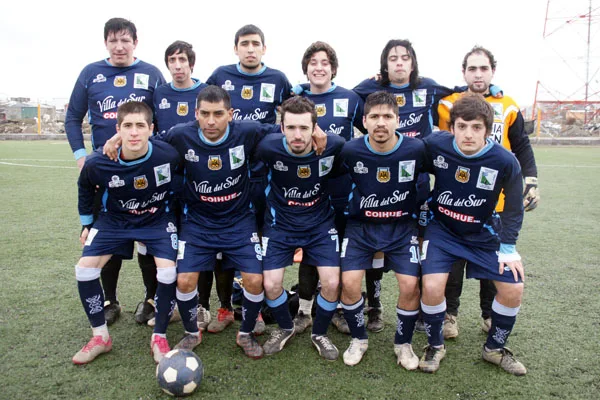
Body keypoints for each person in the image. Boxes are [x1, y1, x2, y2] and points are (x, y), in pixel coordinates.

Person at [65, 17, 166, 325]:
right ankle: (109, 300)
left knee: (149, 236)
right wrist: (82, 157)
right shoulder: (90, 74)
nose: (120, 46)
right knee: (104, 236)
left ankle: (151, 298)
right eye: (113, 41)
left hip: (144, 172)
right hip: (105, 174)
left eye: (126, 40)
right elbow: (72, 117)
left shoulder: (151, 74)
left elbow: (159, 122)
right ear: (105, 43)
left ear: (136, 42)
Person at [419, 93, 527, 376]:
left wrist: (509, 247)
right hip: (441, 229)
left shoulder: (505, 161)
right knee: (431, 287)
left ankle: (494, 348)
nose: (468, 134)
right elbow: (410, 165)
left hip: (484, 232)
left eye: (476, 127)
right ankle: (435, 344)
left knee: (514, 287)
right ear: (451, 127)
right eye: (462, 126)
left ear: (487, 131)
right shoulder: (435, 145)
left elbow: (515, 208)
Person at [436, 46, 539, 339]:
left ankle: (489, 316)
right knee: (452, 263)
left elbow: (521, 146)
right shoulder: (448, 103)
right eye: (472, 68)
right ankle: (449, 315)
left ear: (493, 71)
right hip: (457, 195)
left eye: (483, 68)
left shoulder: (507, 105)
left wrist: (531, 180)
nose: (478, 74)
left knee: (492, 262)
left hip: (497, 198)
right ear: (464, 73)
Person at [352, 39, 454, 332]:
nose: (399, 63)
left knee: (420, 244)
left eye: (405, 58)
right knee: (375, 246)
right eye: (393, 58)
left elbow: (458, 91)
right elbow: (349, 93)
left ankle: (423, 308)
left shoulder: (428, 87)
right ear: (384, 64)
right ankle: (375, 305)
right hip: (380, 179)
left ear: (413, 63)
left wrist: (491, 90)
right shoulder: (373, 90)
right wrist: (372, 77)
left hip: (417, 180)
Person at [72, 101, 182, 365]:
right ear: (117, 130)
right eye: (128, 126)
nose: (134, 133)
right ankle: (100, 336)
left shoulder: (168, 155)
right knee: (84, 269)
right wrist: (87, 224)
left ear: (151, 129)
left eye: (140, 126)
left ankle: (159, 335)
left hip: (157, 218)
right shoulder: (99, 161)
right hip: (115, 219)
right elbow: (85, 187)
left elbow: (181, 185)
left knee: (168, 271)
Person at [203, 24, 292, 334]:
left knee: (258, 242)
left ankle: (256, 305)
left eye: (256, 43)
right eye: (244, 43)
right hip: (227, 174)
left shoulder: (278, 79)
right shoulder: (220, 75)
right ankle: (227, 306)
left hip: (264, 175)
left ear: (264, 49)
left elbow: (294, 110)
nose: (250, 48)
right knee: (222, 245)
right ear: (236, 48)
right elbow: (205, 112)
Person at [337, 91, 426, 367]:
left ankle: (403, 343)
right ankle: (358, 338)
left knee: (410, 285)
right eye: (374, 116)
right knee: (349, 283)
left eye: (387, 117)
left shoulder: (416, 149)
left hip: (401, 228)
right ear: (364, 120)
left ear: (397, 120)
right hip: (361, 228)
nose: (380, 123)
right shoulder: (351, 150)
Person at [256, 96, 345, 360]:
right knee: (270, 284)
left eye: (304, 128)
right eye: (291, 127)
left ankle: (319, 333)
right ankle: (285, 327)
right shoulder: (268, 146)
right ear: (281, 127)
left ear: (315, 128)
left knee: (331, 282)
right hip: (279, 224)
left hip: (319, 224)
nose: (297, 135)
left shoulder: (334, 146)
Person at [292, 41, 366, 336]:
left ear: (333, 69)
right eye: (313, 62)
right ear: (306, 69)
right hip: (308, 188)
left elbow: (370, 131)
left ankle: (337, 309)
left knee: (341, 252)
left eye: (325, 62)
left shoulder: (350, 98)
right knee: (311, 249)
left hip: (343, 186)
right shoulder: (294, 98)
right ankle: (303, 311)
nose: (319, 67)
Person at [136, 41, 209, 327]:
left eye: (182, 60)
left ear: (192, 63)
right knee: (156, 240)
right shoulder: (159, 93)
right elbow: (143, 125)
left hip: (198, 179)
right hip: (163, 181)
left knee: (195, 242)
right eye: (172, 60)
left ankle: (200, 304)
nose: (177, 65)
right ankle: (157, 299)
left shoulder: (205, 90)